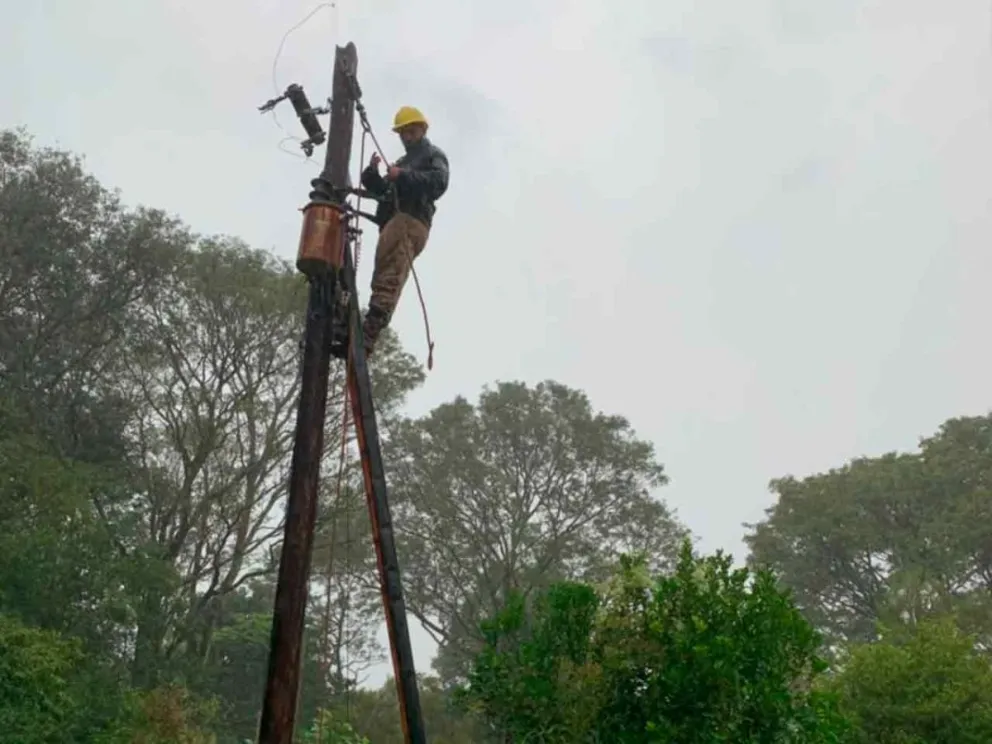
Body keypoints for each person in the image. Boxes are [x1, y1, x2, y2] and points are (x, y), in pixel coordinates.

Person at [359, 105, 450, 357]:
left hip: (411, 220)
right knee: (385, 272)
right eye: (403, 133)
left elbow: (438, 184)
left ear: (422, 129)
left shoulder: (432, 155)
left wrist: (404, 175)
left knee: (389, 275)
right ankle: (368, 328)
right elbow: (385, 195)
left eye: (410, 131)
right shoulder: (402, 163)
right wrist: (372, 176)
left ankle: (369, 333)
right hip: (396, 220)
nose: (406, 137)